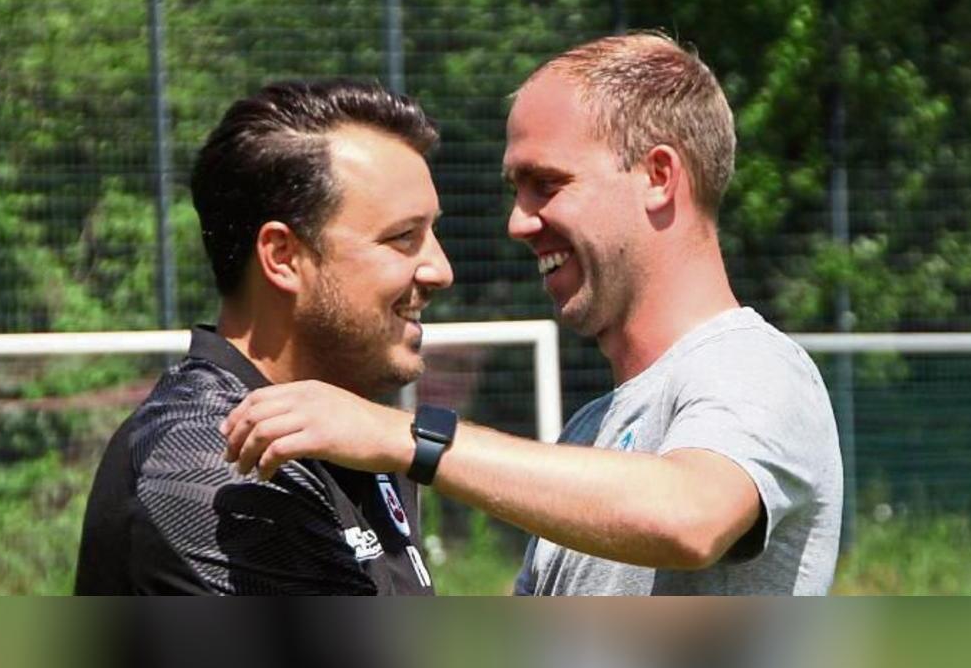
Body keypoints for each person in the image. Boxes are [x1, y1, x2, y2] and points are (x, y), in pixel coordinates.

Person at [220, 33, 844, 595]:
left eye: (546, 184)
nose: (518, 221)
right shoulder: (589, 433)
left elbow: (691, 518)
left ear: (658, 177)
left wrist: (403, 438)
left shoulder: (753, 366)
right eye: (515, 190)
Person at [75, 79, 453, 594]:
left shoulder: (351, 434)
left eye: (432, 233)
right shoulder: (216, 462)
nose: (440, 269)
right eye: (403, 238)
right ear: (282, 256)